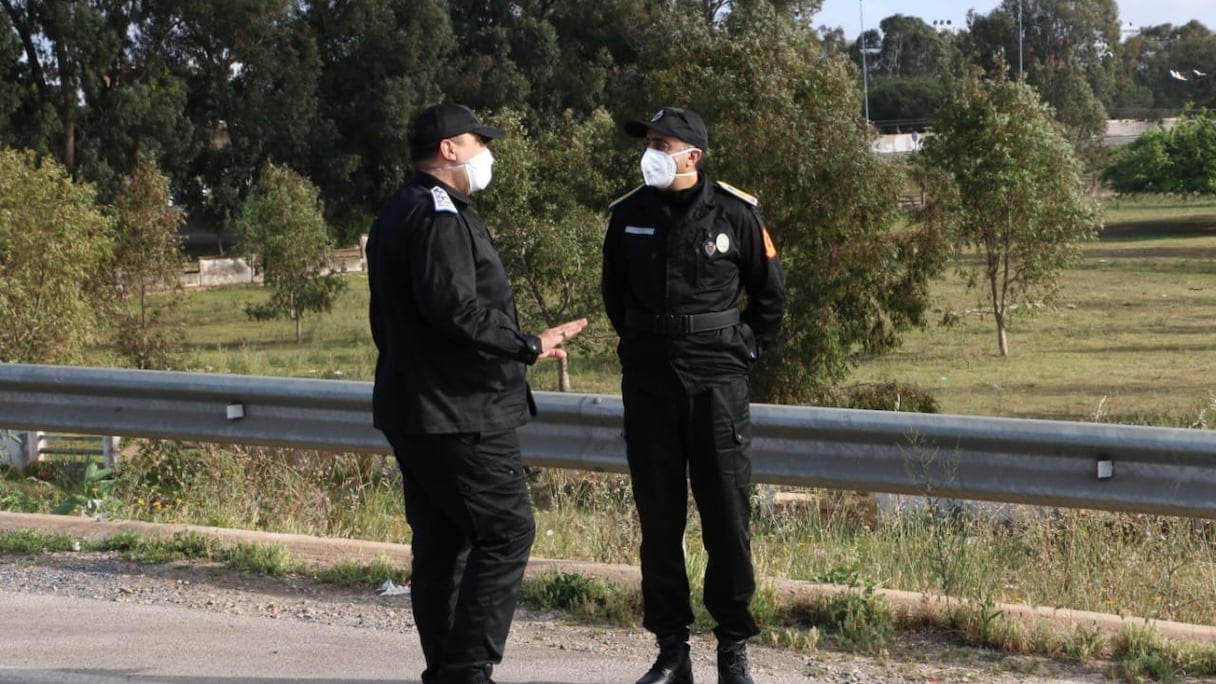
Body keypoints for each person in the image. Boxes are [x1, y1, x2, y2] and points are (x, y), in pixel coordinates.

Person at [367, 102, 588, 684]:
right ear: (448, 149)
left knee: (443, 541)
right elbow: (455, 310)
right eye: (477, 142)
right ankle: (466, 669)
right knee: (506, 530)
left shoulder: (400, 209)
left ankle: (446, 667)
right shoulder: (440, 215)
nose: (485, 153)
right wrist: (527, 344)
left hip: (417, 404)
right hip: (459, 409)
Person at [601, 107, 786, 684]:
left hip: (717, 388)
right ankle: (671, 650)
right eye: (649, 141)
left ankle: (732, 648)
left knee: (727, 520)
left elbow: (770, 302)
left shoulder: (737, 212)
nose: (652, 150)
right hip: (650, 386)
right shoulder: (628, 214)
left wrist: (739, 350)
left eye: (662, 142)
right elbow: (615, 298)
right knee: (659, 521)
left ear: (693, 155)